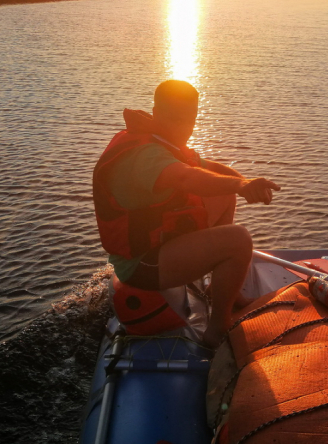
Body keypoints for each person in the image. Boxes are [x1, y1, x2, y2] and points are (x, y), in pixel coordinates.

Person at [92, 80, 280, 347]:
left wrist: (243, 181)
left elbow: (204, 167)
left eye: (189, 119)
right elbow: (184, 177)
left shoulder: (164, 141)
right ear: (156, 113)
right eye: (174, 118)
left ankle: (220, 289)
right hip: (140, 264)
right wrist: (240, 186)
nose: (183, 127)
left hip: (160, 244)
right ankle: (218, 330)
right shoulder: (144, 155)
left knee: (222, 190)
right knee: (238, 241)